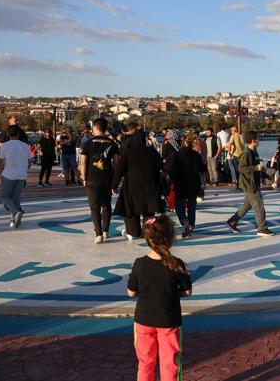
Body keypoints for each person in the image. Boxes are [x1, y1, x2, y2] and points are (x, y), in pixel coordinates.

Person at [127, 215, 192, 381]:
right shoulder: (176, 263)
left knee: (145, 363)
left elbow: (131, 292)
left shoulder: (139, 263)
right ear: (170, 238)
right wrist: (170, 292)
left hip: (143, 320)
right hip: (169, 320)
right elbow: (187, 291)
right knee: (170, 363)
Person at [113, 130, 165, 240]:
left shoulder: (128, 151)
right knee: (148, 210)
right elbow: (161, 166)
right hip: (151, 186)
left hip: (133, 186)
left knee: (131, 210)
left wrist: (114, 185)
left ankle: (133, 232)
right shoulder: (152, 151)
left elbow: (120, 169)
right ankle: (147, 232)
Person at [225, 130, 275, 236]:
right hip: (249, 184)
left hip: (254, 182)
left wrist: (267, 174)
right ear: (253, 140)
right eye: (258, 138)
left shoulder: (254, 151)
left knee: (247, 205)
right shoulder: (246, 153)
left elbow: (258, 168)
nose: (259, 139)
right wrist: (256, 167)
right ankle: (262, 228)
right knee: (259, 204)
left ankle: (232, 221)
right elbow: (241, 168)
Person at [80, 118, 118, 244]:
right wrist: (116, 180)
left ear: (95, 127)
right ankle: (106, 230)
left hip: (92, 178)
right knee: (106, 205)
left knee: (94, 207)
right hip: (108, 178)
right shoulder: (112, 143)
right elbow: (117, 163)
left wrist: (83, 177)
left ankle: (98, 234)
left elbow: (83, 162)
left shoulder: (88, 143)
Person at [169, 133, 206, 239]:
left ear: (184, 142)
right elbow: (202, 170)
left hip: (181, 183)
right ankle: (191, 225)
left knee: (179, 206)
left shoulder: (177, 155)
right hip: (194, 184)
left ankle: (185, 222)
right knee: (191, 206)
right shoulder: (196, 155)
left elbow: (171, 170)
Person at [0, 125, 33, 229]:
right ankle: (14, 219)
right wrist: (27, 166)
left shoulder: (5, 145)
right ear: (18, 134)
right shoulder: (25, 145)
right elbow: (30, 159)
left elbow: (0, 160)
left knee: (4, 197)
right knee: (16, 198)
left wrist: (1, 171)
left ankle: (16, 212)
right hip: (21, 175)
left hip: (8, 174)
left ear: (8, 134)